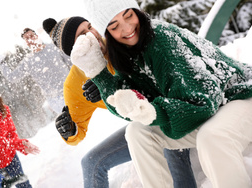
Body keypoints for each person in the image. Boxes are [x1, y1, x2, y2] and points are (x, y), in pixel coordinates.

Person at [71, 0, 252, 187]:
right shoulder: (126, 54)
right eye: (114, 26)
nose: (127, 28)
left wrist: (154, 111)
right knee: (137, 132)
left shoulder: (161, 39)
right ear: (107, 33)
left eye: (128, 15)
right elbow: (126, 103)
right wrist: (99, 73)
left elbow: (204, 102)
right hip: (210, 111)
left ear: (137, 11)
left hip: (237, 97)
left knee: (211, 137)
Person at [42, 16, 196, 188]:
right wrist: (69, 131)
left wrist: (106, 86)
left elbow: (154, 84)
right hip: (141, 126)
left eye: (90, 27)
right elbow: (77, 129)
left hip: (169, 112)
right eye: (82, 36)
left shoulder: (119, 43)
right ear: (74, 51)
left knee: (170, 142)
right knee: (91, 163)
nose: (93, 35)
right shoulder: (75, 84)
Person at [0, 28, 71, 114]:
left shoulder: (53, 47)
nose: (30, 39)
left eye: (31, 36)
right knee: (73, 122)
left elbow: (71, 62)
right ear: (26, 43)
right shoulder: (28, 61)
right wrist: (2, 63)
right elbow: (12, 77)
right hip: (56, 99)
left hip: (71, 88)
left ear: (37, 36)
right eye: (26, 38)